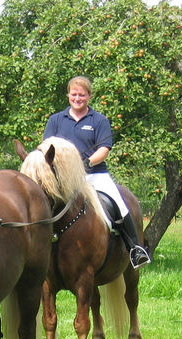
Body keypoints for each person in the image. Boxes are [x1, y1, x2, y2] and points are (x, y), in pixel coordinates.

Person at [43, 75, 151, 269]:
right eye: (74, 94)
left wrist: (86, 162)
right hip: (63, 178)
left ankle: (135, 249)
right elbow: (46, 148)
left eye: (82, 95)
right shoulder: (56, 120)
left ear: (89, 96)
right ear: (68, 95)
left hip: (94, 175)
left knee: (119, 204)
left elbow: (103, 150)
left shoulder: (99, 120)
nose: (77, 98)